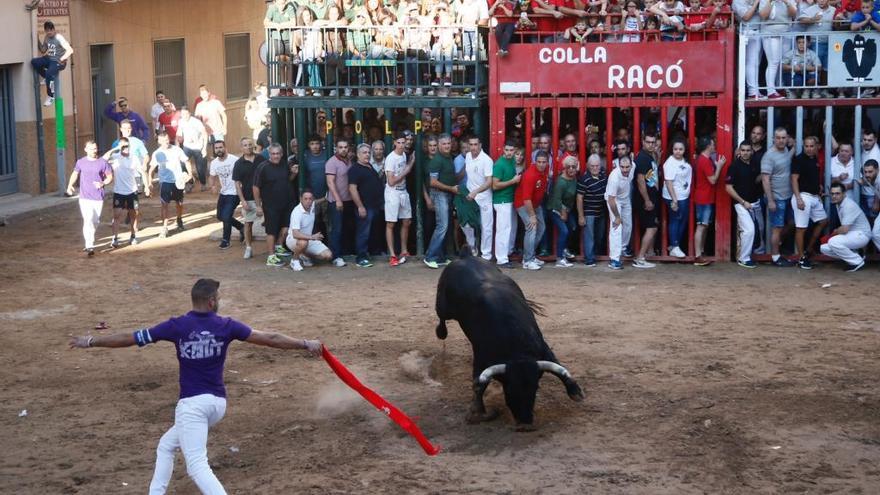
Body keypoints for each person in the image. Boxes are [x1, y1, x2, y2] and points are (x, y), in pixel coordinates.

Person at [69, 278, 323, 494]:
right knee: (167, 445)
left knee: (197, 465)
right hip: (217, 404)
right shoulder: (227, 325)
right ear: (212, 301)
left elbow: (130, 338)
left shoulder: (176, 326)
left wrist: (92, 341)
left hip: (192, 406)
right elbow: (271, 338)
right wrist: (304, 343)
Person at [254, 143, 299, 267]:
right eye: (273, 154)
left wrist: (294, 173)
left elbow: (287, 180)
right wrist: (258, 205)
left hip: (287, 202)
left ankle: (279, 246)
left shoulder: (285, 164)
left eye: (278, 153)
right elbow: (256, 187)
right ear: (269, 154)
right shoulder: (262, 167)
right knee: (271, 230)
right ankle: (271, 257)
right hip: (270, 204)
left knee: (286, 226)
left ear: (282, 154)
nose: (276, 156)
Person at [66, 141, 113, 256]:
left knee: (95, 221)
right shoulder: (81, 162)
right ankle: (89, 245)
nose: (94, 151)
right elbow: (75, 174)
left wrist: (102, 183)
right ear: (86, 149)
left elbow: (110, 176)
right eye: (92, 149)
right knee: (88, 219)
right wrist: (70, 185)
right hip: (84, 197)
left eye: (95, 148)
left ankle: (89, 241)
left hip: (98, 197)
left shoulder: (102, 162)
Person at [790, 136, 828, 269]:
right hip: (803, 197)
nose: (809, 148)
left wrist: (819, 187)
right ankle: (801, 258)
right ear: (803, 146)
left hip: (814, 196)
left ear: (817, 146)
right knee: (801, 228)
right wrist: (798, 197)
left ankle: (808, 249)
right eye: (807, 146)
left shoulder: (815, 159)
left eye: (812, 146)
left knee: (823, 221)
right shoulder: (799, 159)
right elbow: (794, 179)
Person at [147, 132, 193, 238]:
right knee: (164, 204)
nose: (165, 142)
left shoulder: (177, 150)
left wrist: (190, 174)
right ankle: (164, 227)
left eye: (167, 139)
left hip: (178, 181)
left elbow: (187, 161)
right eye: (163, 140)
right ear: (159, 142)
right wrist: (149, 182)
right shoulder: (157, 153)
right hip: (165, 182)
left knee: (179, 202)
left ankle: (179, 220)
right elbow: (151, 170)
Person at [103, 138, 147, 248]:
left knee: (134, 214)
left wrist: (146, 185)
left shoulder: (134, 158)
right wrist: (116, 149)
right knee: (116, 215)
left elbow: (142, 172)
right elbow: (104, 158)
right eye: (123, 146)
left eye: (127, 146)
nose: (125, 148)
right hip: (119, 192)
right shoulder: (115, 158)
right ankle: (115, 238)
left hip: (132, 191)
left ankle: (133, 235)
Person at [725, 141, 763, 268]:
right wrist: (742, 202)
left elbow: (755, 180)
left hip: (755, 203)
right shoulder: (734, 166)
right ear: (739, 151)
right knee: (749, 230)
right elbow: (728, 188)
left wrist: (765, 174)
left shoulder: (754, 164)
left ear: (751, 151)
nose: (746, 153)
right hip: (741, 204)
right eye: (743, 150)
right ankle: (743, 258)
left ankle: (752, 255)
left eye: (748, 150)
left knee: (759, 230)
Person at [761, 127, 795, 266]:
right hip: (776, 198)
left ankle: (779, 241)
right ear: (773, 139)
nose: (781, 140)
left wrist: (794, 145)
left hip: (788, 196)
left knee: (792, 223)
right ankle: (775, 257)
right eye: (778, 138)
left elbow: (787, 159)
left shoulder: (786, 151)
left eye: (783, 137)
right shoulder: (769, 156)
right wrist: (770, 200)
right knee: (777, 228)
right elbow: (765, 179)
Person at [425, 135, 459, 268]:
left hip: (447, 195)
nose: (447, 146)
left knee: (444, 226)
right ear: (439, 145)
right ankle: (430, 256)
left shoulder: (448, 158)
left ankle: (439, 257)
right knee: (442, 226)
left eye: (448, 143)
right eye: (444, 144)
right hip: (440, 195)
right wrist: (451, 188)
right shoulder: (437, 160)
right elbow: (433, 182)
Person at [820, 183, 871, 271]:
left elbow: (844, 229)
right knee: (824, 248)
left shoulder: (848, 205)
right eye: (832, 194)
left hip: (862, 235)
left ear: (844, 194)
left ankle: (857, 261)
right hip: (853, 235)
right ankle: (855, 255)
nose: (834, 196)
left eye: (837, 193)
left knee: (833, 241)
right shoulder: (838, 203)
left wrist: (835, 232)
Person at [348, 144, 385, 267]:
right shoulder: (355, 169)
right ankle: (361, 257)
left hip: (374, 206)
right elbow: (352, 189)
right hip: (365, 206)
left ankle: (371, 253)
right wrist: (360, 206)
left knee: (372, 231)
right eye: (364, 152)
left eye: (369, 152)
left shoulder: (369, 166)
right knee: (363, 232)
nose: (367, 155)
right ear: (358, 155)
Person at [692, 137, 726, 265]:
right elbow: (713, 180)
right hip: (704, 198)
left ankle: (700, 252)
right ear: (708, 146)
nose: (714, 146)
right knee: (701, 226)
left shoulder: (703, 160)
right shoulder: (704, 161)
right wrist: (720, 167)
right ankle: (697, 255)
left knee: (704, 226)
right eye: (713, 144)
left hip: (705, 197)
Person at [515, 151, 550, 270]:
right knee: (531, 228)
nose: (541, 164)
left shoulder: (546, 170)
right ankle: (528, 260)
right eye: (539, 162)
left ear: (547, 162)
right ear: (535, 162)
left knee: (542, 228)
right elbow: (526, 199)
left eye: (544, 162)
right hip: (523, 204)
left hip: (535, 204)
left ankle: (530, 255)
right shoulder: (530, 175)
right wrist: (532, 216)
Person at [383, 134, 414, 267]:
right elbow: (391, 181)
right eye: (399, 142)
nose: (402, 145)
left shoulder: (403, 155)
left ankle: (404, 250)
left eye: (404, 142)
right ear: (395, 142)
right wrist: (408, 168)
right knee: (391, 223)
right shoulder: (391, 158)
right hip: (393, 193)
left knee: (406, 221)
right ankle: (392, 255)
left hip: (403, 191)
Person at [233, 137, 265, 260]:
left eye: (250, 144)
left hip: (264, 197)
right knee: (248, 223)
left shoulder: (261, 159)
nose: (248, 147)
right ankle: (248, 247)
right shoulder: (239, 163)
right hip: (248, 198)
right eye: (245, 145)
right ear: (241, 148)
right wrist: (242, 200)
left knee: (271, 223)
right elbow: (237, 183)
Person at [287, 191, 335, 271]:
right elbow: (295, 234)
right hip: (293, 240)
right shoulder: (297, 212)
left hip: (308, 239)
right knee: (303, 242)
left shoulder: (311, 205)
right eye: (305, 199)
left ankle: (304, 255)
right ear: (301, 199)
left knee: (328, 255)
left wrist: (325, 198)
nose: (308, 201)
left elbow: (316, 202)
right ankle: (294, 261)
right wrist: (312, 237)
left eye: (310, 199)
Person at [209, 141, 244, 250]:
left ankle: (226, 240)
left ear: (225, 148)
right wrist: (213, 186)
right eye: (216, 148)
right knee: (220, 216)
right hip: (223, 192)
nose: (218, 150)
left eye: (220, 147)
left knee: (226, 216)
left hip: (235, 192)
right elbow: (211, 176)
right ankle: (241, 227)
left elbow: (243, 174)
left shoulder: (234, 160)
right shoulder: (214, 163)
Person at [632, 133, 660, 268]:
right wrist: (647, 200)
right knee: (652, 228)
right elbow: (640, 180)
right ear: (643, 142)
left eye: (653, 142)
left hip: (650, 197)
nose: (651, 144)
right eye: (648, 142)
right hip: (645, 199)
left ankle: (645, 255)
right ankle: (640, 258)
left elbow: (651, 175)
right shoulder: (642, 158)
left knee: (652, 227)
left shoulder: (649, 157)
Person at [759, 0, 797, 100]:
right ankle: (770, 91)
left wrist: (787, 2)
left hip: (786, 32)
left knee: (783, 62)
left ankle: (780, 87)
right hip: (770, 34)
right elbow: (763, 15)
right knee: (773, 62)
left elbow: (794, 14)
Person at [465, 135, 495, 260]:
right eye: (471, 144)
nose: (473, 147)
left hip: (484, 197)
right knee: (466, 224)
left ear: (480, 145)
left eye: (475, 144)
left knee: (486, 227)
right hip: (471, 197)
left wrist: (476, 191)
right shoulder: (467, 156)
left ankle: (486, 255)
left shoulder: (486, 160)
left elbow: (489, 182)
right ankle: (472, 250)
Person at [662, 139, 693, 259]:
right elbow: (668, 182)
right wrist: (674, 200)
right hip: (674, 196)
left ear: (685, 150)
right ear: (672, 149)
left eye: (680, 149)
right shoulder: (670, 163)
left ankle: (674, 245)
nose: (678, 152)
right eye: (675, 149)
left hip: (684, 195)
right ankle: (674, 246)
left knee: (682, 220)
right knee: (675, 220)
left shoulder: (685, 160)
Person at [492, 140, 521, 268]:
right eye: (507, 150)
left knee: (508, 229)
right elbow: (495, 185)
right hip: (502, 200)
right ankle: (501, 259)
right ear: (503, 150)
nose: (509, 153)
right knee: (503, 230)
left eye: (511, 150)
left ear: (515, 150)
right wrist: (512, 181)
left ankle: (506, 254)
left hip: (508, 200)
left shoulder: (512, 161)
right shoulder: (499, 164)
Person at [31, 21, 73, 107]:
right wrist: (37, 39)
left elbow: (70, 50)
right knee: (34, 62)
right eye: (47, 31)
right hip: (50, 59)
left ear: (54, 29)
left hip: (59, 62)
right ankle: (46, 78)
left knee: (49, 73)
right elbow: (43, 50)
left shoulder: (59, 38)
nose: (49, 32)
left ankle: (50, 96)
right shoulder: (47, 37)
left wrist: (62, 59)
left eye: (50, 30)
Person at [576, 154, 608, 268]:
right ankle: (589, 259)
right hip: (589, 212)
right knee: (589, 236)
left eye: (597, 166)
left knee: (599, 235)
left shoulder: (604, 175)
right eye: (592, 166)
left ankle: (595, 254)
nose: (595, 168)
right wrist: (581, 215)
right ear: (588, 166)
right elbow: (579, 198)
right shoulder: (584, 179)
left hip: (601, 212)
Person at [325, 139, 353, 268]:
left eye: (345, 147)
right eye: (340, 147)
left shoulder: (349, 161)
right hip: (337, 201)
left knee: (347, 228)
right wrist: (338, 200)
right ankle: (335, 256)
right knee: (337, 229)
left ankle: (345, 253)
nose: (343, 149)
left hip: (349, 200)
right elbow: (330, 182)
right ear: (336, 148)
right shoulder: (332, 162)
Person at [547, 156, 579, 268]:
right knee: (564, 231)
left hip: (567, 209)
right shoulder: (561, 182)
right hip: (555, 208)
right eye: (568, 167)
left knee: (573, 226)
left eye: (573, 167)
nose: (571, 169)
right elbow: (556, 199)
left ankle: (565, 249)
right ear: (564, 168)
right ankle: (559, 258)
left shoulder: (574, 178)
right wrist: (562, 212)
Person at [605, 156, 634, 270]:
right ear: (618, 166)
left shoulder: (634, 167)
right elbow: (611, 199)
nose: (625, 170)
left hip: (625, 198)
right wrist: (617, 217)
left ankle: (623, 247)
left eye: (627, 167)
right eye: (622, 167)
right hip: (614, 200)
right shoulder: (614, 177)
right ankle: (614, 259)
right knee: (616, 227)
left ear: (631, 166)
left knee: (628, 225)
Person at [734, 0, 762, 99]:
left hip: (759, 31)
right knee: (750, 63)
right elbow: (746, 17)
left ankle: (756, 91)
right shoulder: (737, 1)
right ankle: (752, 91)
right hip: (746, 32)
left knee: (756, 63)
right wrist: (756, 3)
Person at [112, 119, 150, 194]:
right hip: (122, 176)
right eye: (125, 128)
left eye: (129, 128)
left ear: (131, 129)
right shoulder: (116, 143)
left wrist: (144, 164)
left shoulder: (138, 142)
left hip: (135, 174)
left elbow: (146, 156)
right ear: (121, 129)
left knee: (134, 197)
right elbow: (112, 159)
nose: (127, 130)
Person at [177, 106, 209, 192]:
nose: (184, 116)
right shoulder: (181, 122)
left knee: (200, 168)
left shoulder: (196, 122)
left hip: (198, 147)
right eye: (183, 114)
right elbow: (179, 134)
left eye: (186, 114)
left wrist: (204, 148)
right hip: (187, 146)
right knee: (183, 164)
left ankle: (203, 183)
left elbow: (205, 134)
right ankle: (190, 182)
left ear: (189, 113)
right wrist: (178, 147)